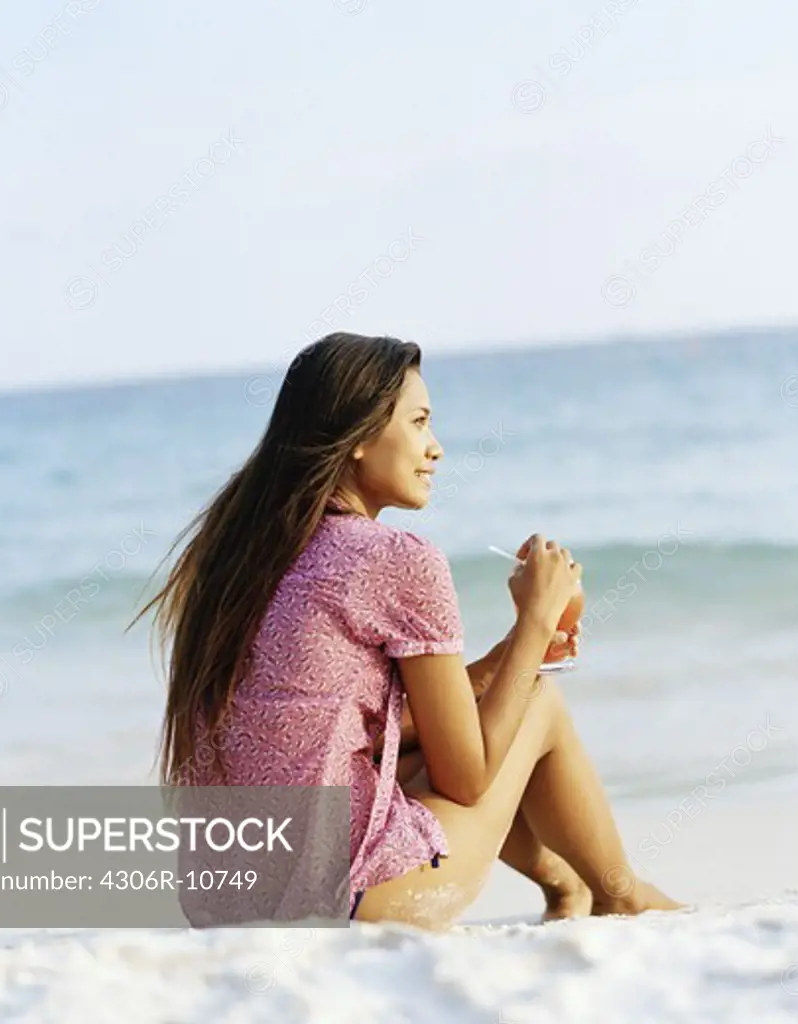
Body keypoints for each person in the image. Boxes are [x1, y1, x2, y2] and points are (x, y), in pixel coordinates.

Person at [135, 331, 682, 930]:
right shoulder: (397, 557)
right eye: (420, 422)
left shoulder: (243, 558)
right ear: (361, 437)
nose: (436, 448)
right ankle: (620, 894)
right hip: (349, 900)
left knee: (438, 731)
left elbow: (326, 725)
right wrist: (535, 619)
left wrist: (509, 656)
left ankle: (565, 889)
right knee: (539, 703)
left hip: (225, 907)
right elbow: (467, 779)